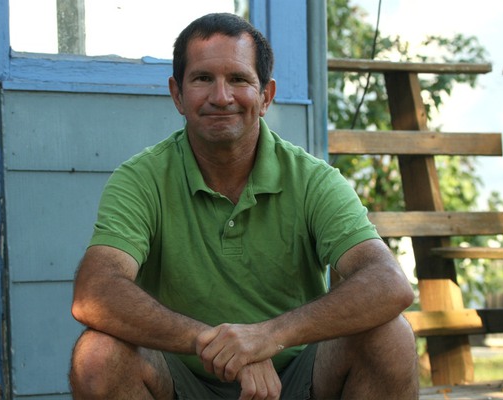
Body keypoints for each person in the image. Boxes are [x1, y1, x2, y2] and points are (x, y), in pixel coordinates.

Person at [69, 12, 418, 400]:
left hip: (296, 381)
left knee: (392, 336)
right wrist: (216, 343)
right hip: (181, 382)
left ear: (266, 96)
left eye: (238, 79)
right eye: (203, 79)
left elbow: (389, 283)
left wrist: (268, 337)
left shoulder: (312, 180)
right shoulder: (141, 179)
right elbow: (95, 291)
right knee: (97, 355)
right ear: (177, 94)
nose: (221, 97)